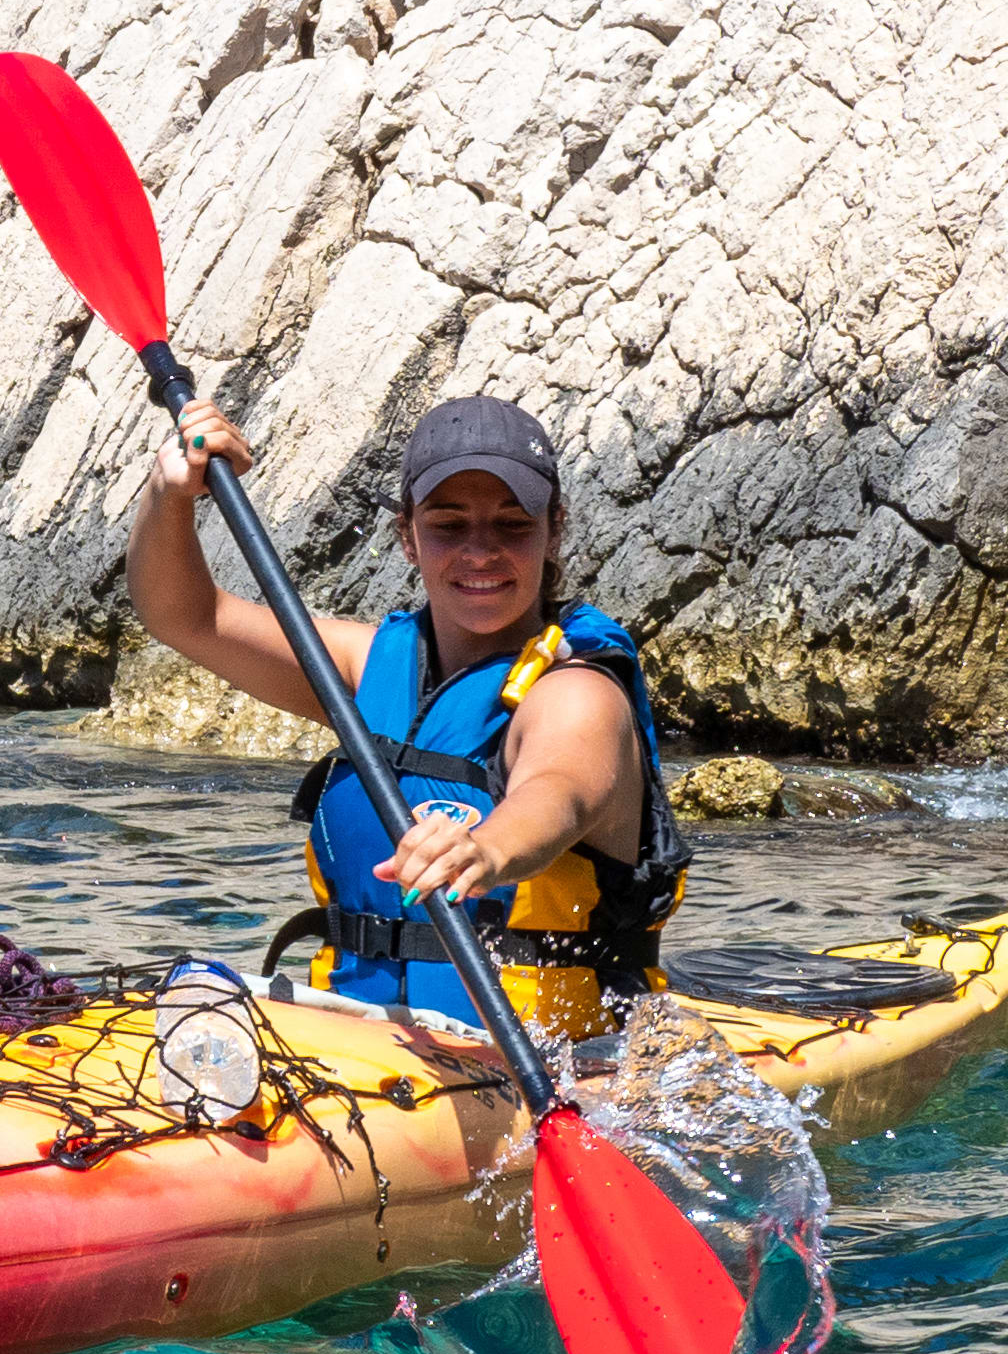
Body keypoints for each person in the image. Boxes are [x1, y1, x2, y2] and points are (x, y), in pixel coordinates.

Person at [127, 390, 688, 1044]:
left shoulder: (578, 692)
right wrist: (170, 495)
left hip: (549, 1061)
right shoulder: (367, 667)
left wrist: (485, 849)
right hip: (368, 1042)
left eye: (513, 524)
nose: (480, 553)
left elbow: (557, 791)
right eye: (449, 525)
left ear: (554, 529)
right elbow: (185, 616)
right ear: (407, 537)